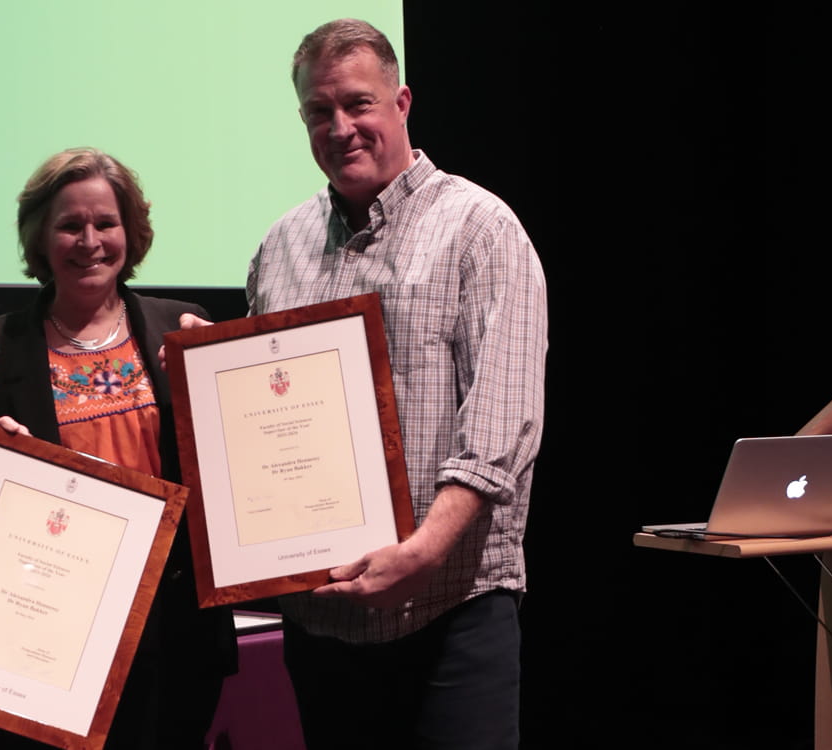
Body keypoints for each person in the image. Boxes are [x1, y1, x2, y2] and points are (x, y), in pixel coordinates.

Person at [243, 19, 549, 750]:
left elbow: (503, 428)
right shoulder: (278, 247)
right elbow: (257, 419)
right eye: (320, 111)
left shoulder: (480, 229)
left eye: (358, 103)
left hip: (451, 613)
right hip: (323, 623)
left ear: (402, 101)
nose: (341, 126)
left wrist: (420, 555)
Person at [0, 147, 238, 749]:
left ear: (130, 232)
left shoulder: (185, 327)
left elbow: (229, 472)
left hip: (175, 625)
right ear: (40, 238)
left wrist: (223, 376)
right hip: (53, 628)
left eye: (105, 223)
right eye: (69, 225)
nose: (89, 240)